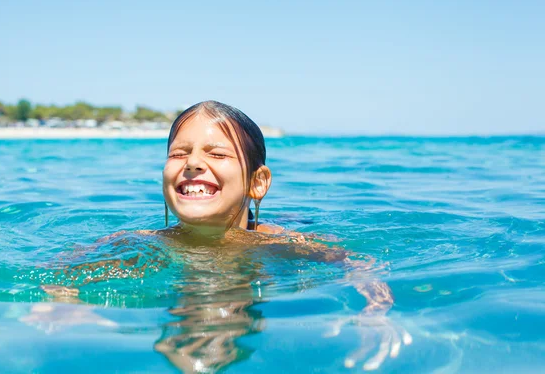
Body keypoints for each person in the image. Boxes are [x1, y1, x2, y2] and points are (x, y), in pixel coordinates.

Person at [24, 100, 411, 372]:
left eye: (217, 154)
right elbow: (64, 267)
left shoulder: (279, 243)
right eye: (179, 154)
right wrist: (63, 300)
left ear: (257, 182)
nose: (193, 163)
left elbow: (360, 265)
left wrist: (376, 314)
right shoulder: (140, 241)